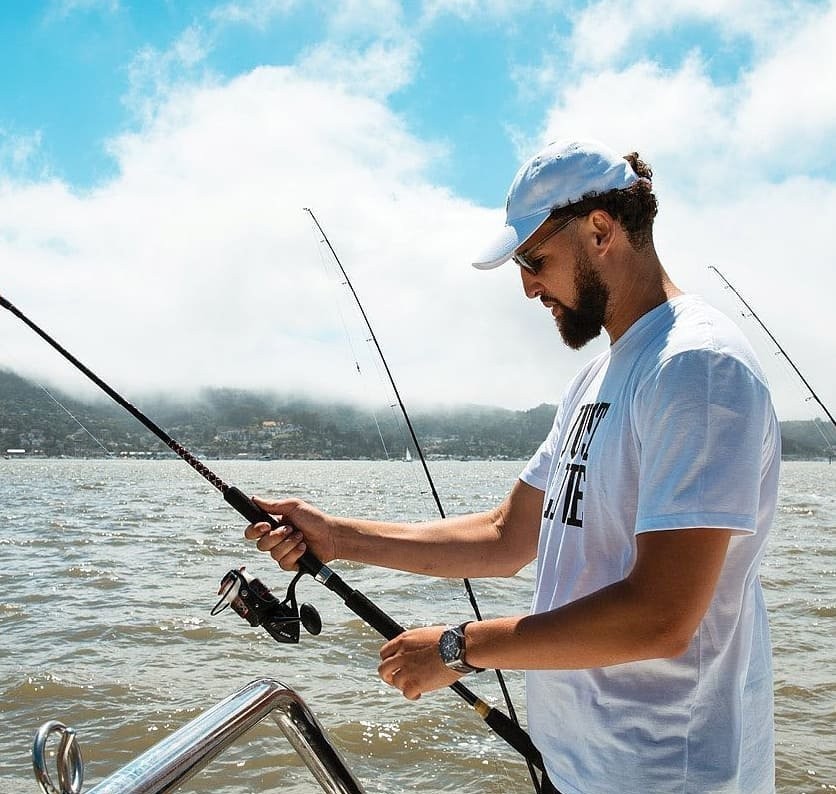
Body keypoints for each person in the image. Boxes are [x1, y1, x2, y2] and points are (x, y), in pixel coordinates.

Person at [245, 139, 780, 794]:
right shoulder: (598, 377)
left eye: (534, 259)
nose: (527, 287)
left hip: (665, 777)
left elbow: (662, 614)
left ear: (601, 230)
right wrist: (337, 538)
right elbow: (507, 535)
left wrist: (458, 648)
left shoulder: (696, 366)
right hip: (577, 768)